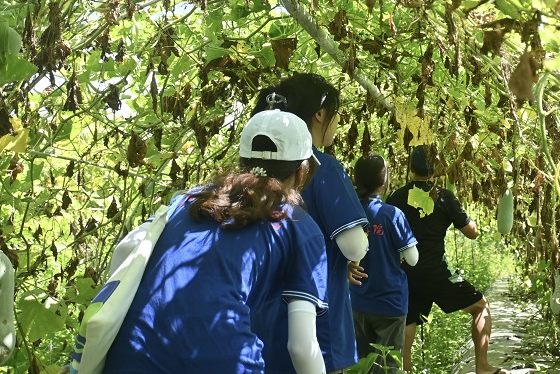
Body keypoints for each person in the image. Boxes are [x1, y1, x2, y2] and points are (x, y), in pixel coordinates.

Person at [99, 110, 328, 374]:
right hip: (222, 360)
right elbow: (302, 347)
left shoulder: (186, 201)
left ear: (242, 159)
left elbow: (125, 255)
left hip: (131, 355)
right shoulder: (297, 226)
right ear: (302, 170)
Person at [251, 74, 369, 374]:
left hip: (260, 322)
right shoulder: (321, 166)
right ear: (320, 114)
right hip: (316, 326)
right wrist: (346, 259)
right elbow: (354, 245)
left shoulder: (258, 167)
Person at [386, 145, 508, 374]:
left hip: (406, 271)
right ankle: (482, 366)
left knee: (408, 320)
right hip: (436, 271)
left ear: (411, 167)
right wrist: (470, 222)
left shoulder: (397, 196)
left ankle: (405, 371)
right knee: (481, 307)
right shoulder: (443, 196)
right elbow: (471, 232)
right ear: (437, 169)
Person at [348, 154, 418, 373]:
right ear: (385, 181)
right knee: (387, 366)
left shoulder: (349, 212)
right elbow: (413, 259)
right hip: (390, 302)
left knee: (361, 365)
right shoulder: (392, 215)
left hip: (357, 302)